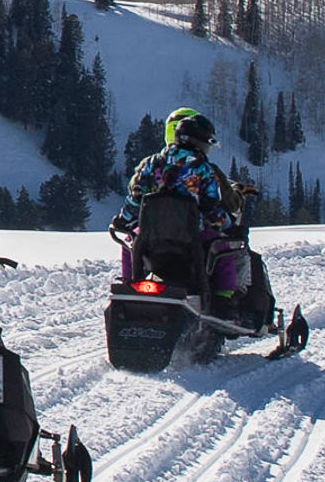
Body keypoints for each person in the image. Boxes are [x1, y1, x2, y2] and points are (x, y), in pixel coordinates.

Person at [113, 108, 271, 324]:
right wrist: (228, 226)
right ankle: (224, 300)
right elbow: (211, 207)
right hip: (190, 237)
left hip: (151, 236)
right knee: (226, 247)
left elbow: (135, 197)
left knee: (130, 239)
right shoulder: (202, 168)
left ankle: (128, 284)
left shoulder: (152, 163)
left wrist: (122, 220)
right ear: (199, 143)